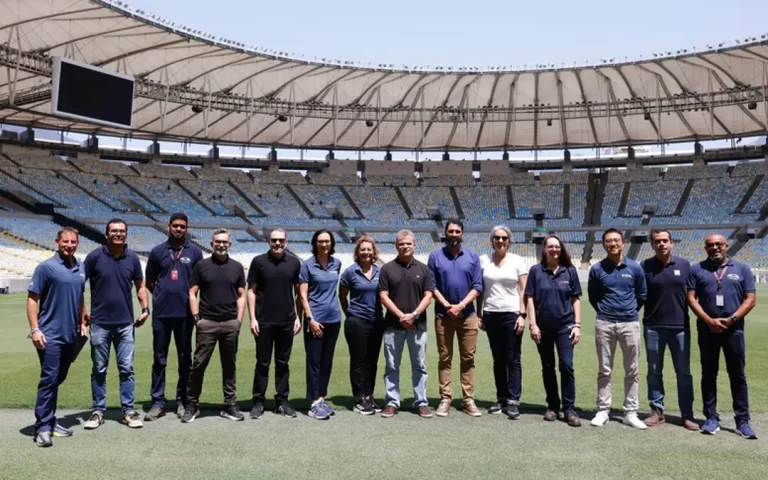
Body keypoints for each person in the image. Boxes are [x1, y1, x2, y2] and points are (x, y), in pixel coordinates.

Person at [687, 233, 757, 439]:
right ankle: (711, 418)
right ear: (705, 248)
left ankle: (742, 421)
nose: (715, 247)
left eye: (719, 244)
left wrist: (732, 319)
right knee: (708, 374)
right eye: (710, 245)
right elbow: (691, 298)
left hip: (734, 330)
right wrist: (709, 320)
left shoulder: (742, 269)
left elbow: (750, 299)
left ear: (726, 246)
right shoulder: (696, 269)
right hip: (707, 330)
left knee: (737, 375)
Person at [83, 219, 148, 430]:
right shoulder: (94, 257)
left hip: (125, 324)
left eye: (121, 231)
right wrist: (83, 312)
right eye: (114, 231)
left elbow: (140, 286)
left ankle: (128, 411)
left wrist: (145, 309)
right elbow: (78, 286)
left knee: (126, 369)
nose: (118, 234)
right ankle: (97, 411)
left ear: (126, 235)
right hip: (100, 323)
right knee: (99, 369)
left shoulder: (133, 259)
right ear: (106, 234)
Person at [27, 227, 87, 447]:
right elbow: (33, 299)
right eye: (65, 242)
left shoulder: (81, 267)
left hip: (71, 335)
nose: (69, 245)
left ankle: (50, 420)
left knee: (58, 378)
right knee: (49, 379)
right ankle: (42, 427)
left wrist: (82, 319)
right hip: (49, 335)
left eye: (73, 242)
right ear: (57, 242)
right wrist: (35, 329)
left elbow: (80, 295)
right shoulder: (46, 268)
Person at [181, 229, 246, 423]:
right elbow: (192, 293)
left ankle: (229, 405)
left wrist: (238, 321)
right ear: (211, 244)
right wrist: (197, 318)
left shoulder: (236, 267)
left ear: (230, 244)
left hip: (229, 323)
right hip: (207, 323)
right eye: (217, 242)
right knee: (199, 365)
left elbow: (241, 296)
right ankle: (192, 405)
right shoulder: (202, 266)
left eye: (224, 242)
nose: (221, 245)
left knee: (230, 366)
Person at [144, 213, 203, 421]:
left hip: (185, 314)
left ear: (186, 229)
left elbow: (197, 283)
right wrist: (161, 295)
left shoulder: (195, 252)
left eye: (182, 226)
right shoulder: (157, 251)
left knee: (184, 359)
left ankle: (183, 401)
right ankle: (158, 402)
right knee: (159, 359)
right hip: (162, 314)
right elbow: (149, 280)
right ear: (169, 227)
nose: (179, 229)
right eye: (175, 226)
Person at [587, 228, 647, 429]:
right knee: (605, 369)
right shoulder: (597, 269)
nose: (612, 244)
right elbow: (593, 296)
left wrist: (628, 311)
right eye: (608, 241)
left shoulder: (635, 268)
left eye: (616, 240)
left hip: (630, 323)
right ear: (604, 245)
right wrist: (606, 311)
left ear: (623, 243)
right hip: (604, 323)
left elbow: (642, 295)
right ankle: (603, 410)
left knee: (632, 370)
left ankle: (630, 412)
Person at [640, 229, 697, 430]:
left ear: (671, 243)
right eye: (657, 241)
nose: (662, 244)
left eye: (665, 240)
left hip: (680, 327)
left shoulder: (684, 265)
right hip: (653, 327)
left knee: (684, 373)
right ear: (652, 245)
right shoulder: (645, 266)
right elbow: (640, 295)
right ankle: (657, 410)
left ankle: (687, 414)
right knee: (654, 371)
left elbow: (692, 294)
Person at [525, 234, 582, 427]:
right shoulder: (535, 271)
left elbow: (575, 299)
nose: (554, 250)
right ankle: (552, 406)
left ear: (561, 248)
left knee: (566, 366)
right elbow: (530, 299)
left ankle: (569, 409)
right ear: (545, 249)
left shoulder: (569, 271)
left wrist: (578, 325)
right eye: (550, 246)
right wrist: (533, 324)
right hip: (543, 328)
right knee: (548, 367)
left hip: (565, 327)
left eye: (557, 247)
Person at [428, 219, 483, 417]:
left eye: (457, 231)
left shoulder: (472, 257)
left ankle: (468, 399)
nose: (453, 234)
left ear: (462, 234)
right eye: (450, 231)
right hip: (443, 315)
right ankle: (445, 398)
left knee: (468, 357)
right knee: (445, 357)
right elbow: (432, 286)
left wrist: (460, 306)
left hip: (467, 315)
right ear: (445, 233)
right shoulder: (435, 257)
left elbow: (477, 286)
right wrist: (447, 306)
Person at [378, 230, 434, 419]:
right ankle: (392, 402)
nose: (405, 246)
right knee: (392, 365)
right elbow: (383, 296)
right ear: (396, 246)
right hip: (393, 326)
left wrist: (415, 314)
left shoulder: (423, 269)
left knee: (419, 365)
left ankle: (421, 402)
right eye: (401, 244)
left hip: (418, 327)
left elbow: (429, 295)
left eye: (408, 243)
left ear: (414, 245)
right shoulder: (387, 269)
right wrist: (402, 315)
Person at [247, 228, 302, 419]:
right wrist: (252, 318)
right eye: (274, 240)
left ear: (286, 241)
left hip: (287, 321)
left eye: (281, 240)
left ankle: (282, 401)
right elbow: (251, 291)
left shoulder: (294, 262)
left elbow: (299, 294)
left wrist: (298, 317)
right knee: (262, 362)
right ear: (268, 241)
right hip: (263, 321)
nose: (277, 243)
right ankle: (258, 402)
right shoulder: (258, 262)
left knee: (282, 363)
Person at [478, 226, 528, 419]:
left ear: (509, 241)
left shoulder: (518, 261)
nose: (500, 241)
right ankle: (501, 397)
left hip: (512, 314)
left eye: (504, 238)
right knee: (498, 359)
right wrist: (479, 313)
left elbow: (524, 289)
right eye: (497, 238)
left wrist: (522, 315)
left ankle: (514, 401)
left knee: (513, 358)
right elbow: (480, 289)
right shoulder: (483, 260)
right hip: (491, 313)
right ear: (492, 240)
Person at [299, 229, 343, 420]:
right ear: (315, 243)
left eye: (327, 241)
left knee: (326, 362)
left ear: (332, 244)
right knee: (314, 362)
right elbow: (302, 295)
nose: (324, 244)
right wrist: (310, 320)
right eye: (320, 241)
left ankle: (321, 397)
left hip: (334, 319)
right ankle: (314, 402)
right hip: (315, 320)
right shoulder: (307, 265)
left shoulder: (337, 263)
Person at [340, 236, 384, 415]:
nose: (366, 252)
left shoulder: (380, 272)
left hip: (376, 321)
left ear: (374, 252)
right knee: (358, 361)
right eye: (363, 249)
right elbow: (342, 296)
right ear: (357, 252)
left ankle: (369, 395)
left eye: (369, 249)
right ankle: (358, 398)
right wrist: (350, 313)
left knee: (371, 362)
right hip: (357, 321)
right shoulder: (350, 272)